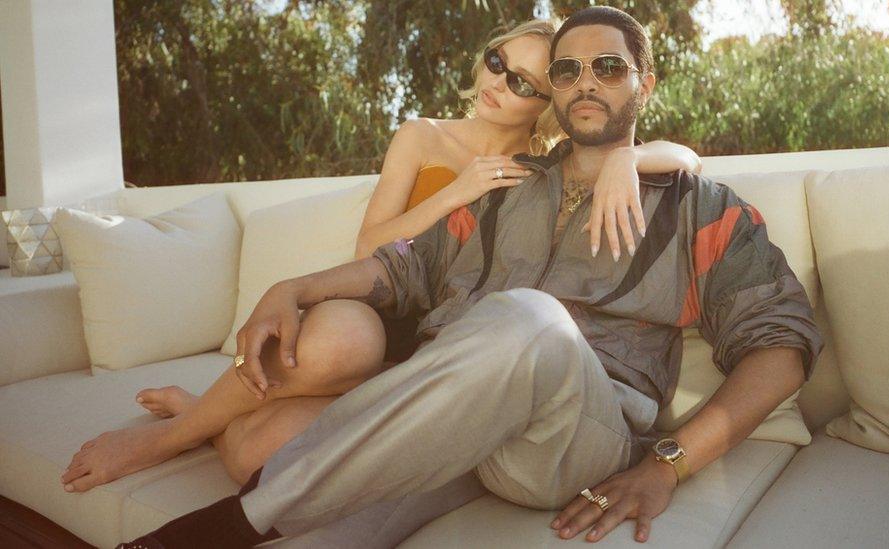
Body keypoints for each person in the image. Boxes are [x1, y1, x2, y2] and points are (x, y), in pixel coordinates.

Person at [116, 5, 823, 548]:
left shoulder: (697, 206)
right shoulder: (504, 190)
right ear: (553, 93)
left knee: (528, 317)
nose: (585, 83)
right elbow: (402, 267)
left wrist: (668, 462)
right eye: (568, 71)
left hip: (574, 435)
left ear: (646, 82)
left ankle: (223, 525)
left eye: (608, 67)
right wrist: (294, 288)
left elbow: (782, 347)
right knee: (324, 530)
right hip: (458, 423)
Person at [60, 18, 702, 494]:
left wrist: (623, 155)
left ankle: (209, 417)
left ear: (549, 104)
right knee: (340, 347)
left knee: (260, 457)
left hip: (451, 345)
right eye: (496, 61)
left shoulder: (539, 168)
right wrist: (459, 187)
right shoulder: (424, 135)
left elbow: (684, 157)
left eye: (525, 82)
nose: (498, 84)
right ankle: (171, 434)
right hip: (377, 311)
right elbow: (373, 246)